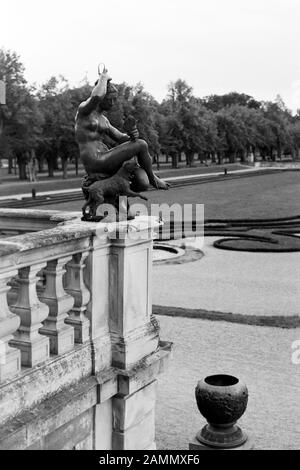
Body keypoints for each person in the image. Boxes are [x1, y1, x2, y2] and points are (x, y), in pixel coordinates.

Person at [74, 67, 169, 196]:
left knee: (142, 181)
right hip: (95, 161)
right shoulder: (84, 111)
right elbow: (96, 95)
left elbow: (121, 138)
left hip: (105, 158)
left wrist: (132, 134)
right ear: (103, 97)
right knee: (141, 144)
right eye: (109, 99)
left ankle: (123, 199)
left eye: (114, 99)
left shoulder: (104, 120)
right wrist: (104, 77)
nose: (112, 103)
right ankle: (154, 178)